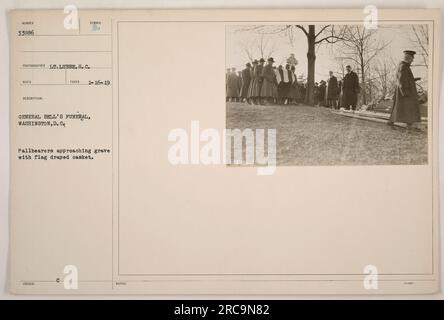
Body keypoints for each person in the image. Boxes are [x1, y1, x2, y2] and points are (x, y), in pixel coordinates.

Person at [388, 50, 421, 129]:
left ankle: (392, 122)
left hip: (403, 91)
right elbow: (402, 80)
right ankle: (409, 125)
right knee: (408, 107)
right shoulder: (403, 66)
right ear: (408, 58)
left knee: (400, 108)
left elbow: (406, 78)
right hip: (405, 91)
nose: (413, 60)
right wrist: (405, 92)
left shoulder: (403, 66)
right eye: (412, 58)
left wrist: (414, 79)